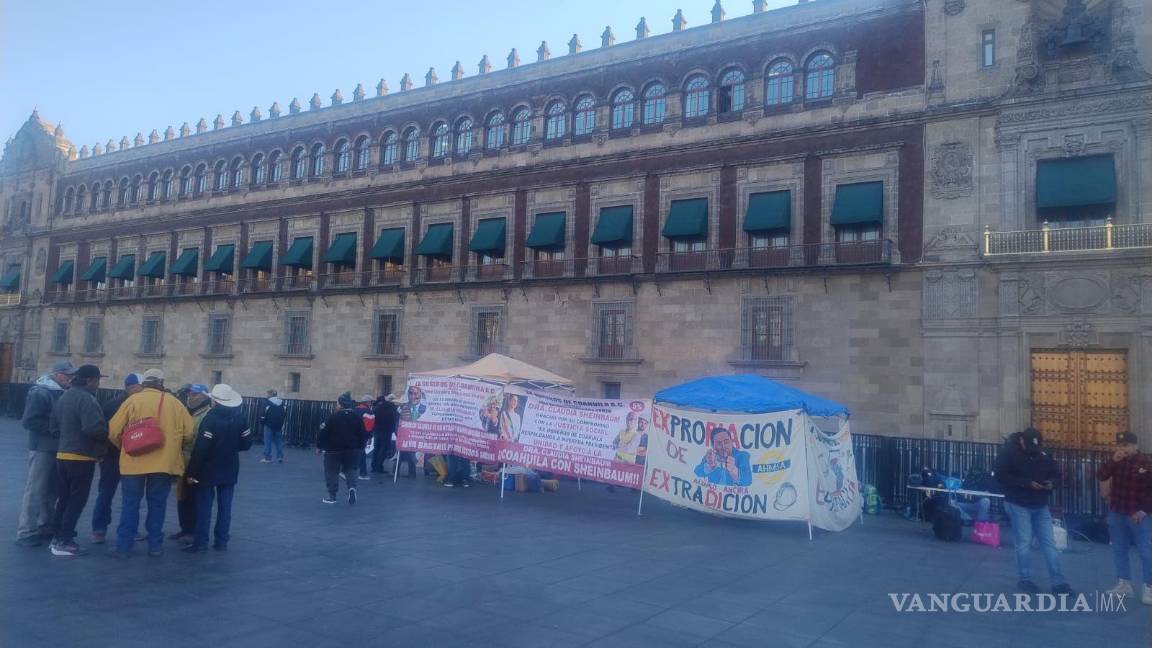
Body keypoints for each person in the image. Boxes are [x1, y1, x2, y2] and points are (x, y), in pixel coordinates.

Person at [108, 369, 196, 558]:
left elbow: (114, 430)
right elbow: (189, 433)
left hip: (133, 462)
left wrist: (125, 447)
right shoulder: (175, 403)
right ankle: (155, 546)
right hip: (163, 464)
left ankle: (124, 547)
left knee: (130, 504)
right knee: (157, 504)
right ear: (161, 383)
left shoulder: (132, 401)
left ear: (145, 383)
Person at [994, 427, 1073, 595]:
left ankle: (1059, 582)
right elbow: (1000, 475)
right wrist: (1026, 483)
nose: (1034, 450)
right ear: (1022, 441)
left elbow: (1057, 474)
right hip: (1018, 503)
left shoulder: (1044, 453)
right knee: (1023, 542)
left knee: (1049, 544)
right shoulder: (1008, 452)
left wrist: (1051, 483)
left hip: (1040, 503)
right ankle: (1025, 579)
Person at [183, 384, 252, 553]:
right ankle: (221, 540)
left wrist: (191, 472)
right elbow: (246, 443)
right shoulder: (240, 418)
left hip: (208, 469)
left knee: (204, 506)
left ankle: (201, 542)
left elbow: (201, 448)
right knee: (225, 507)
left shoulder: (210, 418)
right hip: (230, 466)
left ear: (215, 401)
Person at [48, 365, 108, 556]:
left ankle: (56, 537)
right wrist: (105, 434)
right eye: (97, 380)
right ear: (90, 380)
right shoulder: (87, 398)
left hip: (62, 455)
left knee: (63, 499)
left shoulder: (64, 396)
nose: (98, 384)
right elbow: (93, 428)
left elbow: (53, 426)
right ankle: (65, 540)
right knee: (76, 501)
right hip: (81, 457)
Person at [15, 360, 76, 547]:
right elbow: (29, 421)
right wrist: (56, 429)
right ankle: (26, 531)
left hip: (56, 447)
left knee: (52, 490)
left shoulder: (61, 391)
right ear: (57, 375)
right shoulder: (40, 392)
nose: (71, 379)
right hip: (42, 447)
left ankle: (45, 525)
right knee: (35, 489)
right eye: (68, 375)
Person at [1097, 432, 1152, 603]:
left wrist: (1144, 510)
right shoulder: (1116, 461)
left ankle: (1149, 587)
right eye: (1119, 445)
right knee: (1119, 549)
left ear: (1134, 446)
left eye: (1126, 446)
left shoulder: (1146, 462)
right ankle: (1124, 583)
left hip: (1138, 515)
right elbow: (1101, 475)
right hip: (1117, 511)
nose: (1122, 449)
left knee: (1145, 551)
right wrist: (1113, 460)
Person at [92, 373, 143, 544]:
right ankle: (100, 529)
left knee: (128, 496)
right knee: (108, 493)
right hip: (113, 456)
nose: (143, 389)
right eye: (140, 386)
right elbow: (102, 432)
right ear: (130, 386)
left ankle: (123, 529)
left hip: (123, 456)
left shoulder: (127, 404)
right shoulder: (113, 405)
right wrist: (100, 454)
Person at [171, 384, 211, 545]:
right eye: (189, 394)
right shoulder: (188, 411)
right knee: (182, 497)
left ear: (204, 396)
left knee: (194, 497)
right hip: (183, 461)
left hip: (195, 463)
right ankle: (185, 528)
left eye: (195, 395)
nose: (190, 397)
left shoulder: (206, 415)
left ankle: (192, 530)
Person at [317, 392, 367, 505]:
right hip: (352, 449)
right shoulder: (357, 417)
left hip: (333, 450)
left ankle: (332, 496)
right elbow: (363, 434)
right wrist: (360, 446)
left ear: (341, 405)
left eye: (337, 403)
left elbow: (323, 432)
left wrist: (320, 446)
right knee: (350, 470)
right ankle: (352, 488)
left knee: (332, 472)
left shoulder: (333, 417)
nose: (336, 405)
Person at [371, 394, 400, 474]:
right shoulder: (392, 408)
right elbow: (395, 421)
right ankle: (379, 467)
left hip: (377, 431)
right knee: (383, 449)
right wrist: (395, 431)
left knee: (376, 448)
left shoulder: (377, 407)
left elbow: (373, 419)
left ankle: (374, 466)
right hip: (387, 431)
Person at [260, 390, 287, 464]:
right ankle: (280, 457)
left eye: (267, 394)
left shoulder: (267, 402)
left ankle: (267, 458)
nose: (266, 395)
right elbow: (285, 413)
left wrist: (262, 422)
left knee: (267, 441)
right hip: (279, 425)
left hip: (268, 424)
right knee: (278, 441)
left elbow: (263, 414)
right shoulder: (282, 402)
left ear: (270, 394)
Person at [354, 395, 375, 480]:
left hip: (353, 434)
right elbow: (370, 426)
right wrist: (369, 436)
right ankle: (363, 473)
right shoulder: (369, 411)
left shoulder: (355, 409)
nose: (371, 403)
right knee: (362, 454)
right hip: (362, 435)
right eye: (371, 402)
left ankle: (344, 470)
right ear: (368, 402)